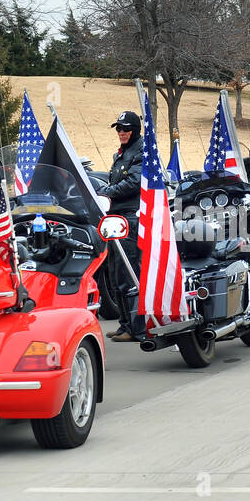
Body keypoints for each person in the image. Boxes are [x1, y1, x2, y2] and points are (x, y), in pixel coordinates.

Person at [102, 110, 145, 341]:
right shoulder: (122, 153)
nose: (121, 132)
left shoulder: (141, 151)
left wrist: (106, 192)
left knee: (129, 272)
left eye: (125, 128)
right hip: (116, 218)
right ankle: (124, 324)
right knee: (115, 271)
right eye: (118, 128)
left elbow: (134, 181)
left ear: (135, 130)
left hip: (130, 217)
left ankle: (136, 328)